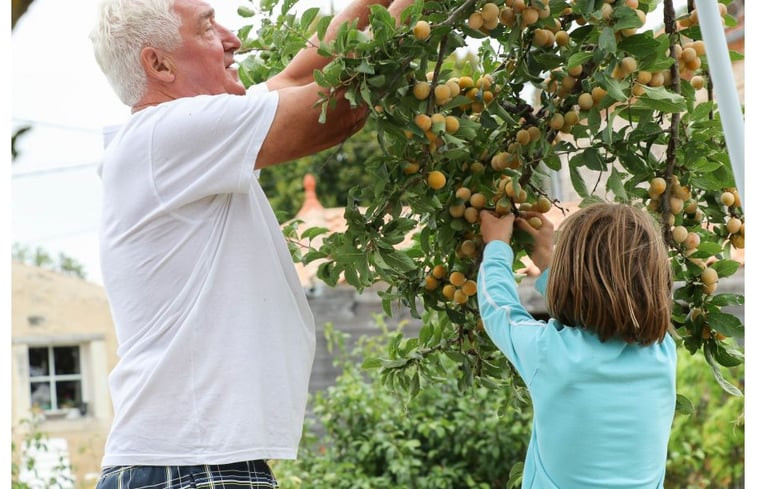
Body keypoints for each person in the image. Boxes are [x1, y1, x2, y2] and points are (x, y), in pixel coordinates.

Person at [88, 0, 413, 487]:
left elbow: (299, 76)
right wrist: (413, 16)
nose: (231, 37)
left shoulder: (181, 140)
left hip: (185, 460)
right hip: (191, 464)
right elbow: (337, 109)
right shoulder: (168, 135)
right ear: (158, 64)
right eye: (206, 28)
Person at [477, 203, 677, 488]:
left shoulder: (550, 353)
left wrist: (496, 246)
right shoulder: (663, 353)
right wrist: (546, 257)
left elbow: (498, 309)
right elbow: (601, 309)